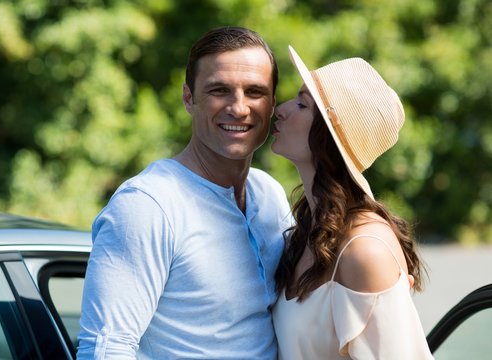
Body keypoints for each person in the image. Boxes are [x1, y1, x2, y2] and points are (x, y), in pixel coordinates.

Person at [76, 27, 292, 359]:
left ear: (272, 102)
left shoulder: (269, 195)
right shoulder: (148, 206)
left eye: (254, 92)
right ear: (189, 98)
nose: (239, 107)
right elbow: (106, 349)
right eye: (220, 90)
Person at [270, 46, 434, 359]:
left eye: (303, 104)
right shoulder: (309, 229)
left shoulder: (364, 250)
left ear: (329, 137)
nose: (282, 108)